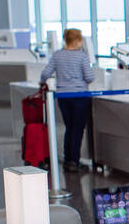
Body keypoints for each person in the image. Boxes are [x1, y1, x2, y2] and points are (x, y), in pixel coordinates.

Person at [39, 27, 95, 172]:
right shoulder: (82, 56)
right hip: (80, 96)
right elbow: (90, 77)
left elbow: (45, 73)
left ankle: (68, 159)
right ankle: (74, 161)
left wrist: (42, 82)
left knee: (69, 128)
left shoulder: (57, 55)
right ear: (77, 40)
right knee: (77, 130)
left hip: (63, 97)